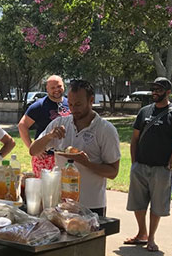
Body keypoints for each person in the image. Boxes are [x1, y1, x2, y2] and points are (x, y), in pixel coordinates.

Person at [29, 79, 121, 216]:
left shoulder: (105, 130)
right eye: (70, 104)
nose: (73, 109)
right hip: (61, 204)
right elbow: (33, 150)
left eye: (78, 104)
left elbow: (113, 172)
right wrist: (49, 136)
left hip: (91, 205)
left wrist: (86, 163)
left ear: (91, 100)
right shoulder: (60, 123)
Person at [125, 77, 172, 252]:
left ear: (167, 92)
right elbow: (135, 138)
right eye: (153, 89)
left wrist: (171, 164)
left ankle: (151, 238)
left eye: (159, 90)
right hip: (141, 166)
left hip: (161, 168)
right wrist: (134, 162)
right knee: (138, 202)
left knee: (157, 204)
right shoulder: (144, 112)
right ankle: (141, 233)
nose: (155, 93)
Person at [18, 74, 69, 151]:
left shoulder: (70, 103)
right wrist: (32, 147)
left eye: (59, 86)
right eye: (53, 88)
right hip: (46, 155)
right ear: (47, 89)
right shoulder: (39, 105)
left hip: (66, 153)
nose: (56, 90)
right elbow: (22, 125)